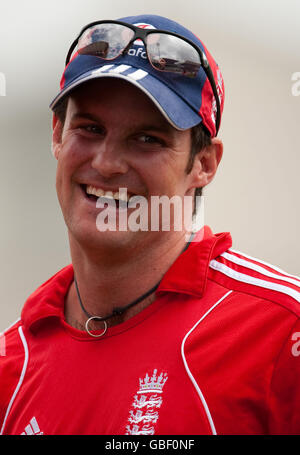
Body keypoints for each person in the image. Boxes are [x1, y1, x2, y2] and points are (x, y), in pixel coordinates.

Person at [0, 14, 299, 436]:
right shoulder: (12, 365)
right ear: (57, 134)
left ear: (204, 163)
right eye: (89, 128)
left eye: (148, 139)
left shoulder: (283, 330)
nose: (105, 163)